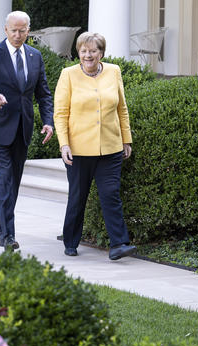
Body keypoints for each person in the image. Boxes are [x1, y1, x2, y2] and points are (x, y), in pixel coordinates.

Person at [0, 11, 54, 250]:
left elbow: (43, 93)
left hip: (23, 128)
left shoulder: (35, 56)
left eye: (22, 31)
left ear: (28, 31)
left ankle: (0, 229)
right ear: (5, 30)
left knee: (14, 181)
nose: (18, 35)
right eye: (13, 30)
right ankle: (8, 235)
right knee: (4, 178)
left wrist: (48, 121)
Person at [54, 32, 137, 260]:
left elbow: (122, 108)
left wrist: (126, 139)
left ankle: (119, 244)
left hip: (110, 148)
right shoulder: (68, 75)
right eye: (84, 51)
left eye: (93, 51)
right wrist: (64, 145)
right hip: (78, 150)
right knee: (78, 197)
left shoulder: (113, 71)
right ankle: (71, 241)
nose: (88, 55)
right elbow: (60, 114)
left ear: (101, 53)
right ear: (78, 53)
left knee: (110, 194)